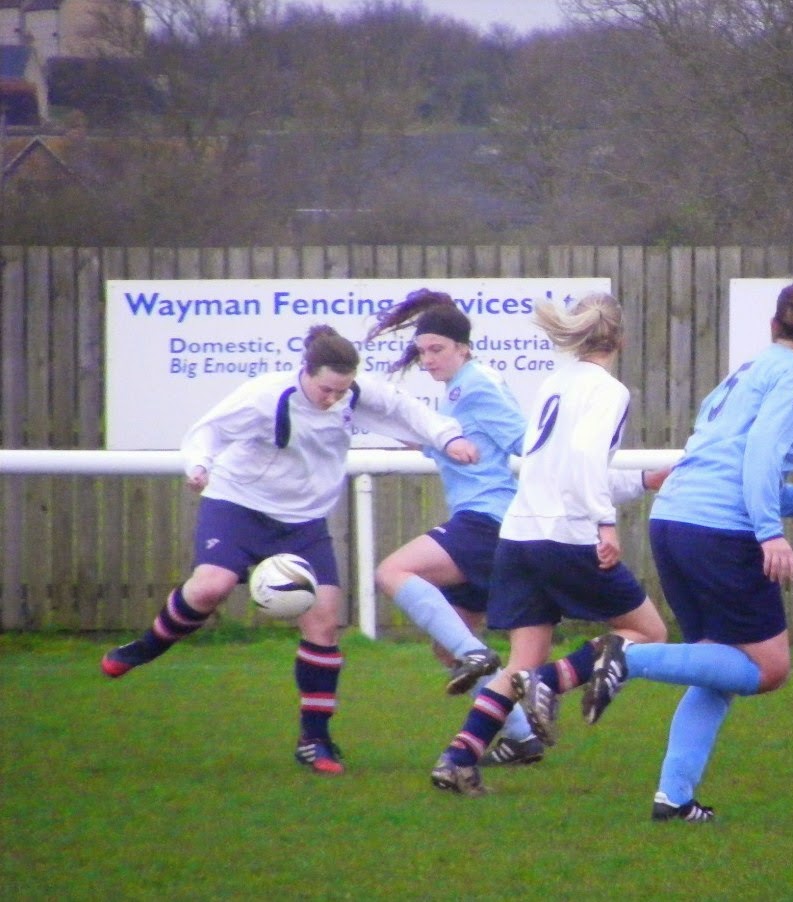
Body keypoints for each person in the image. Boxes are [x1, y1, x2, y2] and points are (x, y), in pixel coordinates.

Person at [101, 324, 478, 776]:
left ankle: (314, 740)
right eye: (325, 389)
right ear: (305, 372)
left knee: (324, 621)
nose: (333, 399)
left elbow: (409, 412)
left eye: (342, 390)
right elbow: (208, 431)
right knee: (210, 588)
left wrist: (449, 437)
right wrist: (199, 464)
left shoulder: (354, 391)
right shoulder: (265, 395)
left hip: (302, 521)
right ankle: (142, 648)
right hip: (239, 504)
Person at [578, 279, 793, 822]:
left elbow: (723, 467)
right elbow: (758, 457)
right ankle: (627, 658)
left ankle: (673, 798)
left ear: (774, 326)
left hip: (675, 520)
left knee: (719, 667)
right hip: (717, 534)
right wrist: (770, 532)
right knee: (769, 669)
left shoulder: (744, 373)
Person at [429, 291, 670, 797]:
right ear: (620, 339)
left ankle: (457, 758)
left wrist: (640, 481)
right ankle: (556, 680)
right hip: (566, 535)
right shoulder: (609, 391)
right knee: (647, 632)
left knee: (520, 663)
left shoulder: (554, 383)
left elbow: (558, 467)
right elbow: (584, 460)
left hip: (520, 535)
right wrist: (605, 523)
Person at [366, 288, 543, 766]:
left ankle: (482, 660)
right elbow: (474, 441)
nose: (427, 361)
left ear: (464, 347)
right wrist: (424, 443)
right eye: (422, 352)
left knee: (393, 572)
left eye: (436, 350)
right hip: (489, 524)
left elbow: (524, 441)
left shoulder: (474, 384)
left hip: (486, 521)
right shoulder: (463, 388)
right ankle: (521, 736)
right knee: (449, 648)